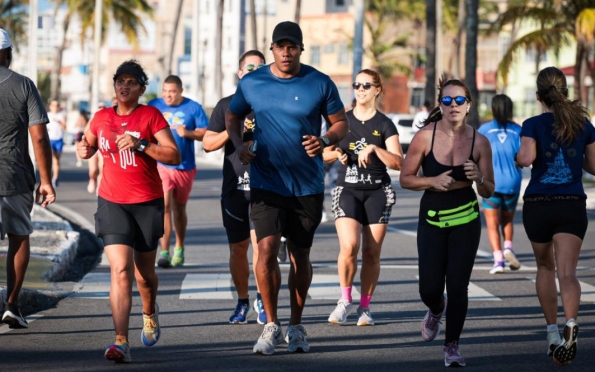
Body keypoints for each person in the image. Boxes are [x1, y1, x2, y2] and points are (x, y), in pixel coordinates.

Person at [225, 21, 348, 355]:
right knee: (264, 251)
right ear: (272, 49)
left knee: (300, 256)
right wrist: (238, 145)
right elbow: (232, 116)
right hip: (266, 181)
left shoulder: (319, 82)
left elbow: (341, 123)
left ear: (300, 49)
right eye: (280, 46)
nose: (286, 52)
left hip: (306, 184)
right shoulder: (253, 82)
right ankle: (271, 325)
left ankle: (296, 325)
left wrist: (323, 139)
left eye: (292, 46)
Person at [77, 59, 181, 363]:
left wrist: (141, 144)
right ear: (114, 86)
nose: (125, 86)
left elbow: (173, 155)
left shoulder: (151, 115)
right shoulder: (100, 118)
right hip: (113, 201)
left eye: (131, 82)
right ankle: (121, 340)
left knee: (144, 275)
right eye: (120, 81)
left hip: (147, 202)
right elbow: (88, 144)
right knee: (120, 270)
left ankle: (149, 311)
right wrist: (84, 150)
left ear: (141, 88)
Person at [399, 77, 494, 367]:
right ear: (440, 105)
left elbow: (490, 189)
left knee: (458, 286)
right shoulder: (425, 137)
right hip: (432, 217)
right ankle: (436, 308)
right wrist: (431, 180)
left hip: (465, 217)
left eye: (459, 101)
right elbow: (405, 178)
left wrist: (478, 178)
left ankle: (451, 346)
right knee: (429, 288)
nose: (453, 106)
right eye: (447, 100)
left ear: (469, 105)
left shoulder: (480, 141)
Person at [516, 66, 595, 366]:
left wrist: (516, 157)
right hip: (571, 203)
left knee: (544, 267)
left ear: (538, 96)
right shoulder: (582, 124)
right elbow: (594, 165)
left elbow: (527, 158)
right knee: (568, 273)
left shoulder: (533, 123)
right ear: (565, 92)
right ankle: (571, 323)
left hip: (539, 203)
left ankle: (551, 332)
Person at [324, 69, 403, 326]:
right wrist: (336, 153)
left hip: (377, 192)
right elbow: (320, 153)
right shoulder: (342, 121)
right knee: (349, 247)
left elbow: (399, 163)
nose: (360, 89)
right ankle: (344, 301)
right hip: (347, 189)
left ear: (377, 90)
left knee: (371, 253)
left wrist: (376, 149)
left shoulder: (385, 124)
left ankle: (365, 307)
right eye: (357, 84)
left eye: (366, 85)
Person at [203, 50, 267, 325]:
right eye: (249, 68)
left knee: (263, 249)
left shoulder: (272, 104)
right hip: (234, 189)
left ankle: (264, 299)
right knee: (238, 249)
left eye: (260, 68)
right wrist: (233, 130)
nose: (254, 71)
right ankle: (243, 301)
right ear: (240, 73)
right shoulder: (227, 105)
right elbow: (207, 144)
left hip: (266, 188)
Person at [0, 27, 56, 329]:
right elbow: (39, 138)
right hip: (16, 176)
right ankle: (12, 305)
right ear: (8, 54)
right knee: (18, 239)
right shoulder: (23, 85)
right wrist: (46, 180)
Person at [148, 75, 208, 268]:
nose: (167, 95)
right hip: (161, 164)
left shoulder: (193, 108)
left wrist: (188, 133)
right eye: (165, 91)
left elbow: (206, 133)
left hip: (185, 166)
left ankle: (179, 248)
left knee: (179, 209)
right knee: (164, 205)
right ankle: (164, 251)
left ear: (181, 91)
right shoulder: (154, 105)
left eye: (172, 92)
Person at [478, 94, 522, 274]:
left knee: (491, 223)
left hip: (491, 183)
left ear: (493, 109)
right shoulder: (518, 130)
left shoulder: (484, 129)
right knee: (508, 219)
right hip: (513, 181)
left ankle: (498, 261)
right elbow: (524, 157)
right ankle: (508, 248)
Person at [87, 102, 107, 194]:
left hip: (103, 147)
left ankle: (99, 186)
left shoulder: (108, 119)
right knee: (93, 169)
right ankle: (92, 179)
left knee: (102, 169)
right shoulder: (93, 119)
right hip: (94, 146)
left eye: (103, 107)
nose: (101, 108)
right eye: (99, 107)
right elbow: (86, 132)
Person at [46, 99, 66, 187]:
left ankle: (55, 178)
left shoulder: (61, 116)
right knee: (51, 160)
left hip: (59, 140)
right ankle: (49, 179)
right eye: (53, 105)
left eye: (57, 105)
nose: (55, 107)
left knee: (56, 161)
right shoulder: (47, 115)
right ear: (50, 106)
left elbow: (65, 127)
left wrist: (58, 122)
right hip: (50, 140)